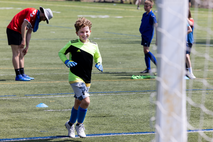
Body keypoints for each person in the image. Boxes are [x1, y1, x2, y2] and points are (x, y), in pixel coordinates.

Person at [58, 17, 103, 138]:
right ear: (77, 33)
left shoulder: (94, 45)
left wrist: (99, 63)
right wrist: (66, 62)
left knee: (78, 103)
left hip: (87, 79)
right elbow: (61, 53)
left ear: (90, 32)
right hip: (75, 77)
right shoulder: (72, 44)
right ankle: (80, 125)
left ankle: (70, 124)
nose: (84, 34)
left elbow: (98, 56)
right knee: (86, 101)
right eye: (82, 32)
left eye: (86, 31)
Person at [6, 7, 53, 81]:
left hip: (20, 32)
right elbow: (24, 25)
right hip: (13, 29)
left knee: (22, 53)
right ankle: (18, 75)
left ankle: (22, 73)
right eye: (45, 18)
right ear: (43, 14)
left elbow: (29, 32)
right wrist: (23, 40)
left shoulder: (36, 20)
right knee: (16, 53)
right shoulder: (32, 12)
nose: (44, 20)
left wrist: (27, 46)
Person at [139, 0, 157, 73]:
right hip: (143, 34)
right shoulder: (144, 14)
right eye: (144, 6)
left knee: (147, 51)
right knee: (145, 51)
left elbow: (156, 26)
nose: (145, 7)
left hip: (148, 36)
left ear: (151, 7)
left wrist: (157, 39)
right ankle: (148, 68)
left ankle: (159, 65)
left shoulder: (152, 16)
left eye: (147, 6)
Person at [186, 10, 196, 79]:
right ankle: (186, 72)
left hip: (189, 41)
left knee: (187, 56)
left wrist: (185, 18)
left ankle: (190, 73)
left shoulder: (191, 19)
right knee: (185, 57)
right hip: (184, 41)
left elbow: (191, 24)